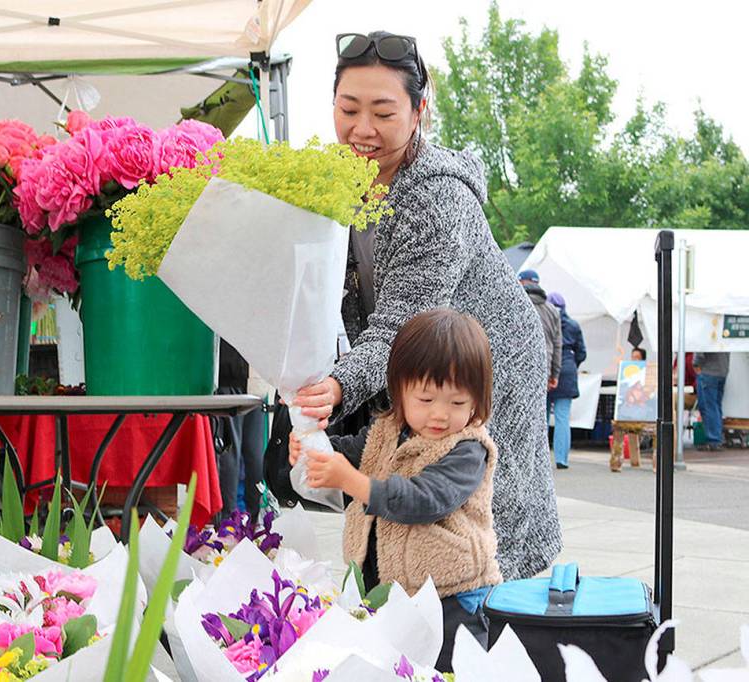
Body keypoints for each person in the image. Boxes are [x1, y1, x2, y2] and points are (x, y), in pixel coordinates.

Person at [294, 31, 561, 580]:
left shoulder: (437, 196)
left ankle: (483, 619)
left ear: (419, 111)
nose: (361, 129)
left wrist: (342, 384)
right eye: (348, 109)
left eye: (382, 112)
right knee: (401, 492)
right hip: (415, 367)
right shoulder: (344, 185)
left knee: (477, 515)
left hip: (483, 365)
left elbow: (401, 319)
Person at [290, 310, 501, 670]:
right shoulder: (387, 432)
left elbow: (424, 499)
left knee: (447, 672)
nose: (440, 415)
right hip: (386, 593)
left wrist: (351, 481)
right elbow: (346, 453)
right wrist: (311, 449)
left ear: (477, 402)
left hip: (451, 599)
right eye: (426, 399)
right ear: (399, 390)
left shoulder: (467, 448)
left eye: (457, 403)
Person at [215, 340, 266, 522]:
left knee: (228, 451)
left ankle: (228, 521)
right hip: (256, 375)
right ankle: (253, 520)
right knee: (254, 452)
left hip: (227, 372)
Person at [546, 292, 586, 469]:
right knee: (563, 418)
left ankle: (542, 461)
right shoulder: (573, 325)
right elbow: (582, 352)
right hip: (568, 369)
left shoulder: (544, 319)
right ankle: (562, 459)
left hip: (547, 368)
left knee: (542, 418)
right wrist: (572, 364)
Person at [519, 269, 562, 391]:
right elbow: (557, 345)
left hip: (518, 367)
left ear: (521, 282)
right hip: (543, 366)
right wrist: (555, 374)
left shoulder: (515, 306)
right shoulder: (552, 310)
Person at [693, 352, 729, 451]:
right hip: (722, 371)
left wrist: (696, 364)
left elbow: (700, 350)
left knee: (708, 407)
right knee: (716, 406)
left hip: (708, 371)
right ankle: (716, 438)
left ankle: (713, 440)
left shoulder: (706, 335)